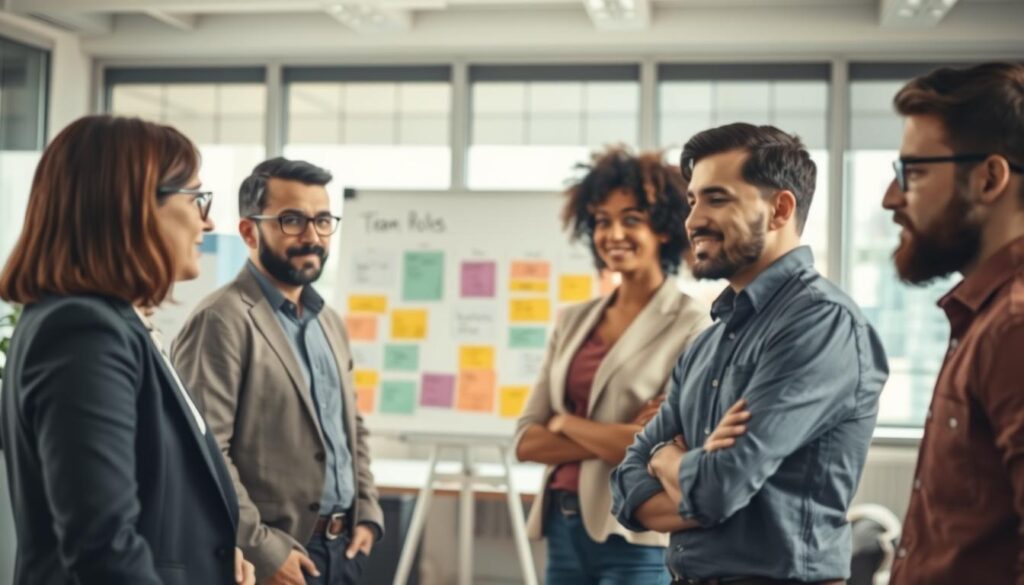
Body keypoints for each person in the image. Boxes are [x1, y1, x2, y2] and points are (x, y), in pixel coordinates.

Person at [611, 123, 889, 585]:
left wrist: (666, 459)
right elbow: (625, 487)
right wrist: (681, 468)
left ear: (780, 209)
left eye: (717, 199)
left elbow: (719, 490)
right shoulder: (708, 342)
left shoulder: (821, 324)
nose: (694, 220)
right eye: (693, 200)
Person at [0, 115, 255, 585]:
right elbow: (104, 544)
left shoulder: (117, 323)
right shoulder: (82, 332)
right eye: (196, 197)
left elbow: (154, 497)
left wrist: (212, 558)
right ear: (134, 205)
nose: (209, 220)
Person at [171, 157, 383, 585]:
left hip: (343, 552)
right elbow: (204, 456)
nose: (312, 236)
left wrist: (368, 512)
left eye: (323, 220)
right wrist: (264, 550)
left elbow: (350, 429)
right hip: (271, 563)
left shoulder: (328, 321)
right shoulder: (222, 319)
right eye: (292, 221)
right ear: (249, 231)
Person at [514, 147, 711, 585]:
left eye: (631, 219)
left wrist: (565, 422)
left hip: (634, 533)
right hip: (562, 527)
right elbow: (527, 439)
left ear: (662, 228)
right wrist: (623, 438)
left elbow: (669, 446)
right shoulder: (575, 319)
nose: (613, 233)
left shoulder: (691, 324)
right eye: (602, 220)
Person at [881, 62, 1024, 585]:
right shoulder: (982, 317)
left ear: (988, 178)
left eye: (913, 173)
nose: (891, 199)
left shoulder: (1014, 327)